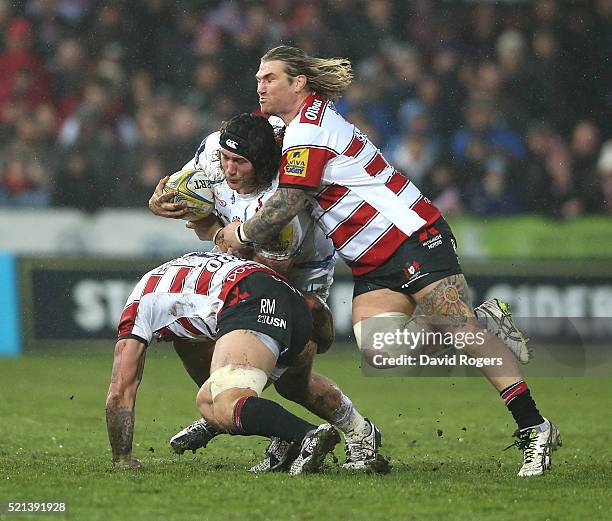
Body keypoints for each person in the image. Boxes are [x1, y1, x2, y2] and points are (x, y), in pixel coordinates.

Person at [219, 46, 560, 477]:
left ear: (299, 83)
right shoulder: (296, 125)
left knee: (461, 331)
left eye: (270, 78)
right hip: (370, 260)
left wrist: (243, 232)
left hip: (411, 235)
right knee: (382, 350)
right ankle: (488, 328)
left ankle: (534, 426)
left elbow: (289, 200)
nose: (260, 85)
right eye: (258, 78)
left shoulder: (309, 130)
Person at [148, 113, 388, 473]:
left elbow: (270, 276)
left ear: (261, 164)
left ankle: (358, 432)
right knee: (192, 339)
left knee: (293, 382)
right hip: (235, 262)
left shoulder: (280, 203)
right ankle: (240, 409)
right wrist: (161, 201)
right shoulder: (215, 149)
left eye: (239, 163)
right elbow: (183, 190)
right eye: (226, 160)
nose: (228, 169)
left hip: (296, 278)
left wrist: (216, 233)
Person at [106, 251, 340, 475]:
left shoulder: (138, 308)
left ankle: (308, 436)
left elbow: (120, 392)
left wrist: (122, 459)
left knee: (225, 402)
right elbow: (315, 305)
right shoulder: (182, 270)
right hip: (295, 302)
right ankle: (288, 439)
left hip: (251, 299)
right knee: (208, 401)